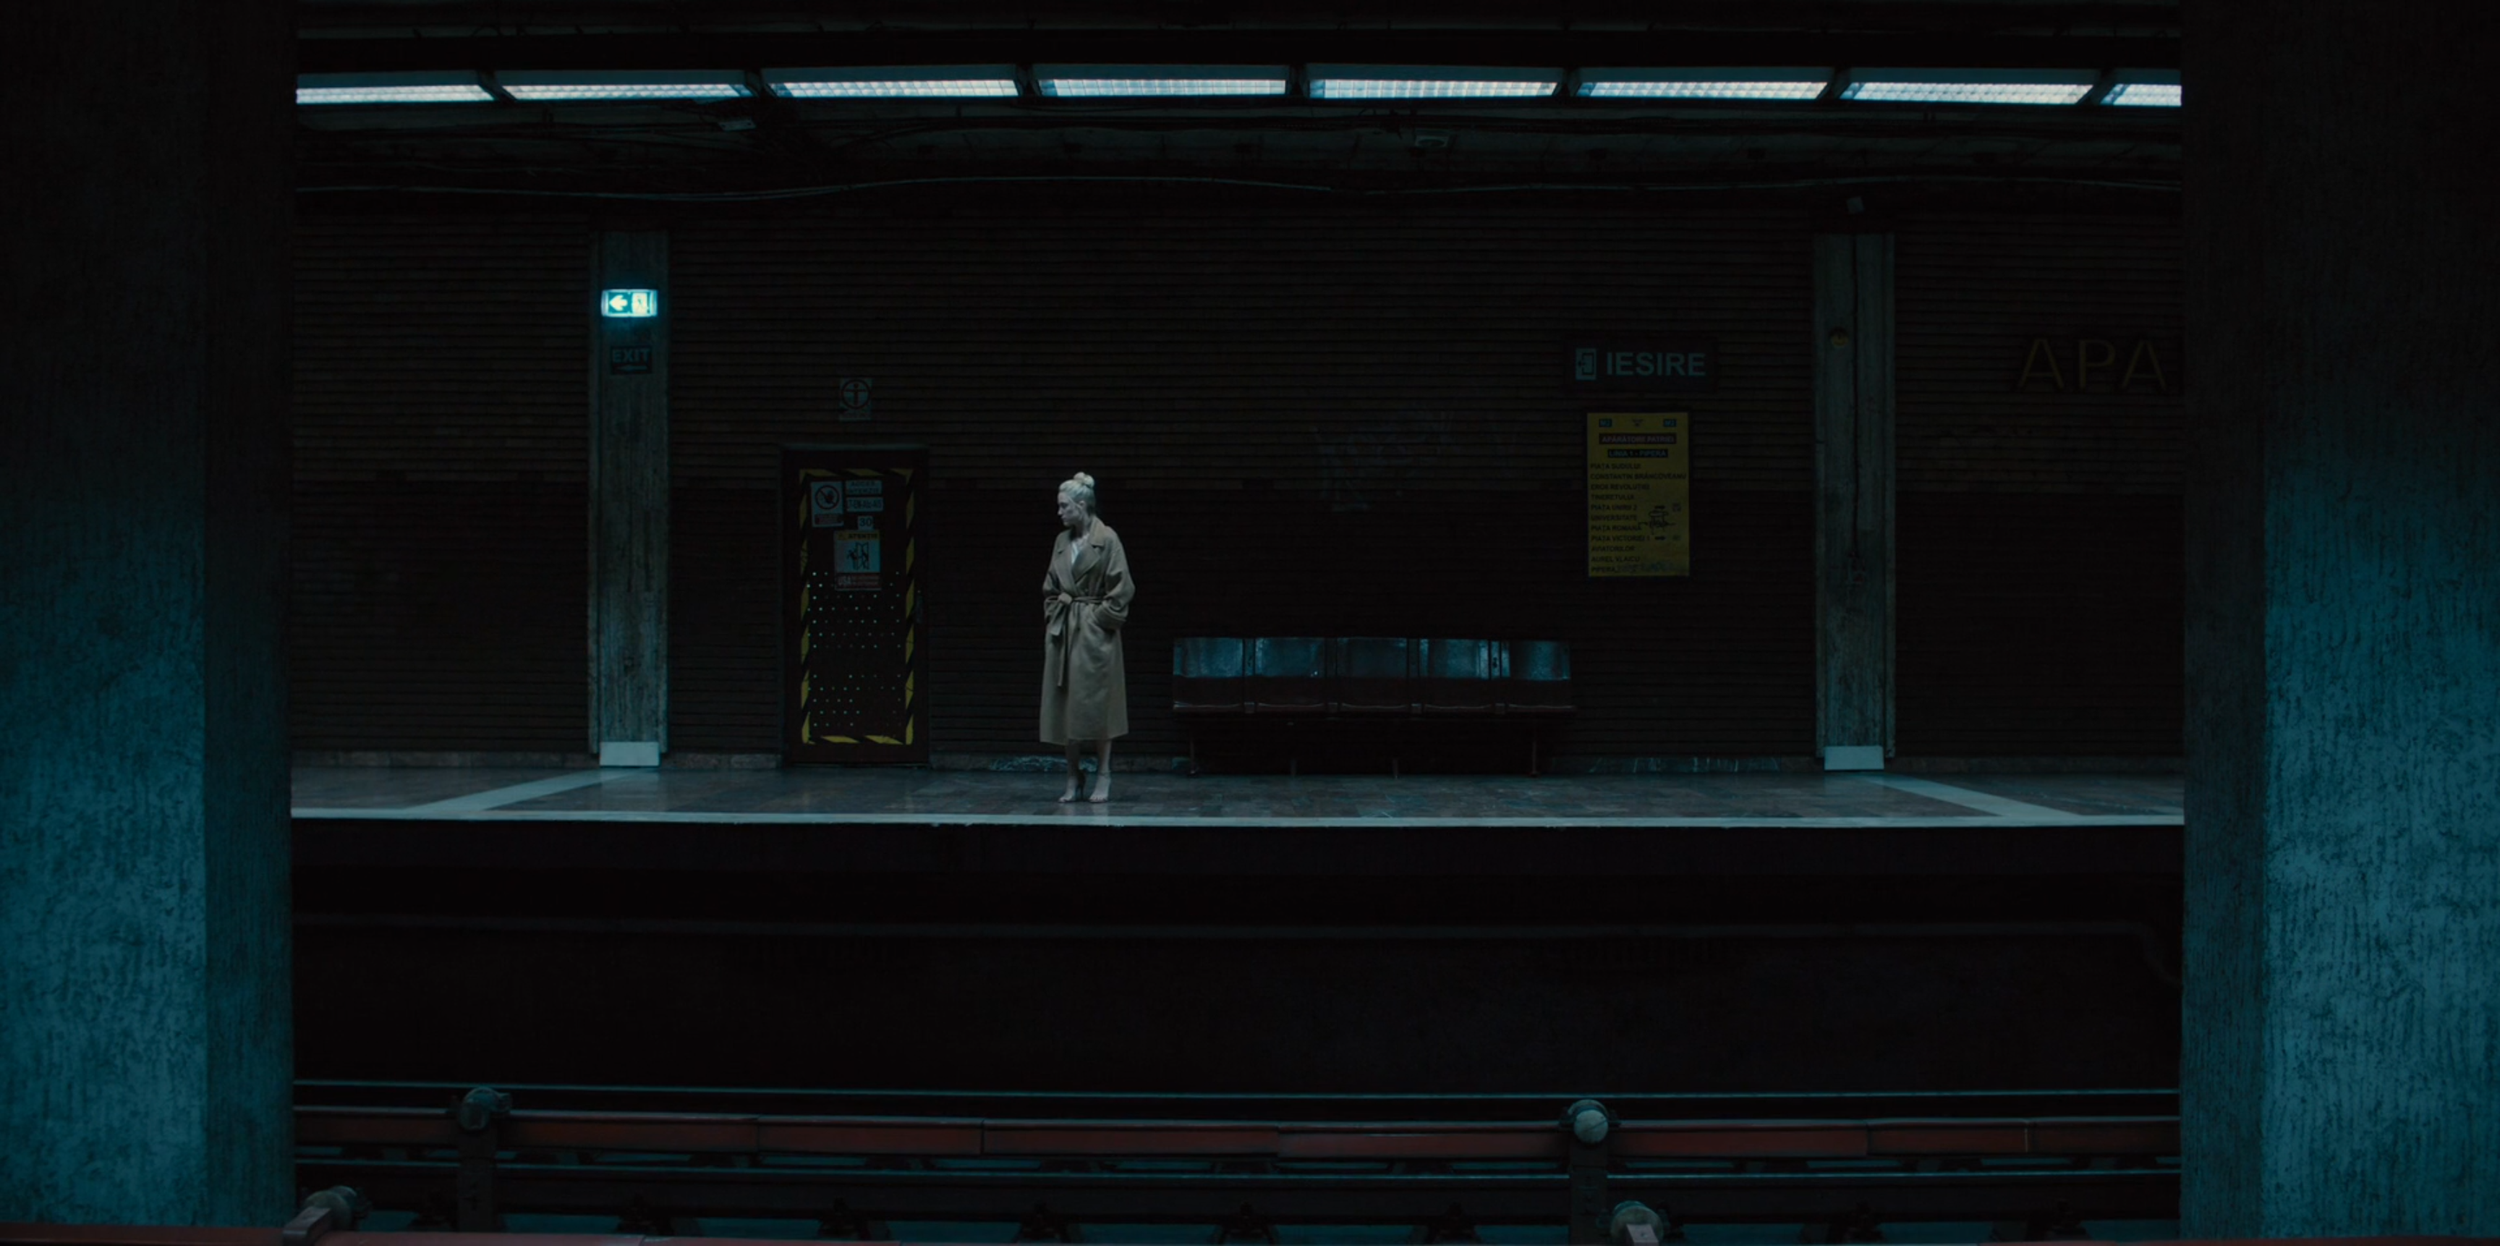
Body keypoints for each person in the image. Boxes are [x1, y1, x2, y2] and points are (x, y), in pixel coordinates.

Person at [1041, 472, 1134, 803]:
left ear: (1081, 505)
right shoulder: (1061, 542)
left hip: (1096, 636)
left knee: (1100, 705)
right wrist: (1055, 612)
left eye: (1064, 506)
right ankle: (1072, 775)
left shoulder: (1107, 539)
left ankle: (1104, 773)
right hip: (1065, 632)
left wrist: (1097, 619)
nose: (1059, 512)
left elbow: (1122, 589)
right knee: (1065, 703)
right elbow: (1050, 586)